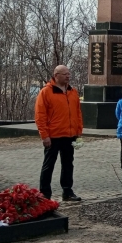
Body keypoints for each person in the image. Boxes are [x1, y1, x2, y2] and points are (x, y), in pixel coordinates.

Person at [35, 65, 83, 201]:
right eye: (65, 74)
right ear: (56, 75)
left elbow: (78, 113)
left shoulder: (73, 91)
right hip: (53, 136)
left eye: (69, 73)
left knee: (68, 164)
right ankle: (44, 194)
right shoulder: (46, 92)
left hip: (70, 135)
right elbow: (40, 116)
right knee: (48, 165)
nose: (68, 76)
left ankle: (67, 191)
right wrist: (44, 135)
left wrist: (79, 132)